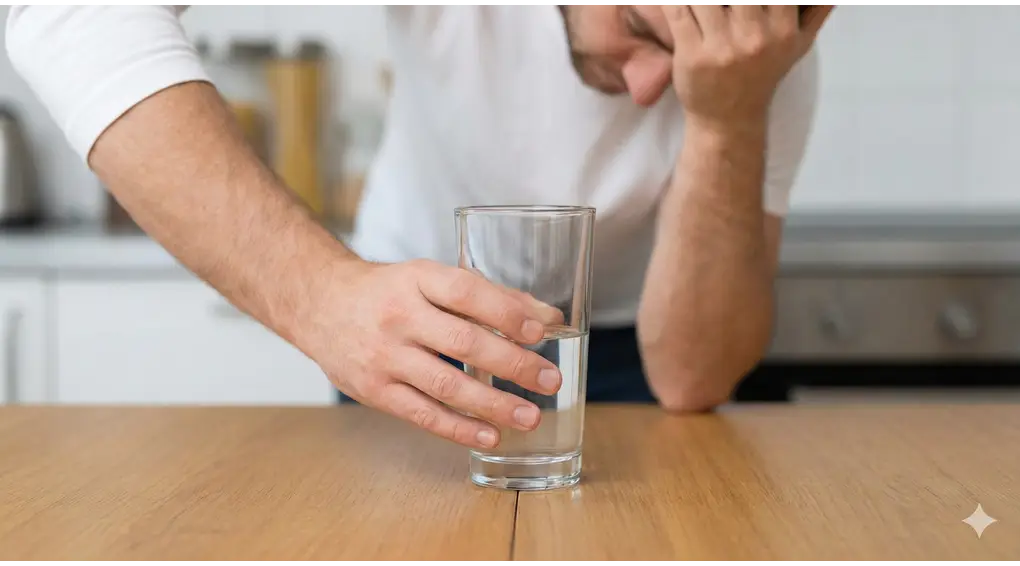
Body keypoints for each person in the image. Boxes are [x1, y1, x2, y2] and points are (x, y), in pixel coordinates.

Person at [6, 1, 833, 449]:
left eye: (688, 72)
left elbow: (691, 378)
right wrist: (320, 296)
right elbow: (71, 11)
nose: (653, 90)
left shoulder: (759, 50)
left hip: (623, 359)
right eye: (640, 31)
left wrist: (729, 115)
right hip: (406, 335)